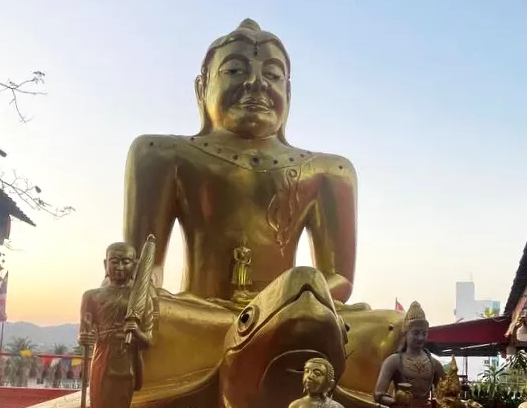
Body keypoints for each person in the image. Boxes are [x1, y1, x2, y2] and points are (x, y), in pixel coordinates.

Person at [124, 19, 356, 304]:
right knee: (132, 306)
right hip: (200, 314)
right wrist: (138, 294)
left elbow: (340, 280)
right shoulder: (160, 153)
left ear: (289, 94)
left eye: (272, 75)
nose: (255, 83)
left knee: (385, 325)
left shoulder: (328, 171)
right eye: (234, 70)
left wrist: (285, 297)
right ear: (202, 88)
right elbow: (143, 269)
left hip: (284, 317)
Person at [81, 241, 156, 408]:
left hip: (126, 363)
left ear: (135, 264)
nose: (120, 266)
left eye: (126, 261)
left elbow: (149, 341)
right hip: (102, 360)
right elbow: (85, 333)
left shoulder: (143, 297)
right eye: (115, 260)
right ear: (105, 264)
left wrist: (137, 332)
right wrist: (86, 338)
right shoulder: (92, 296)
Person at [373, 301, 444, 408]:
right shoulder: (393, 361)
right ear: (406, 333)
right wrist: (397, 401)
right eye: (416, 333)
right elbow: (378, 394)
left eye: (424, 333)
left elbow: (446, 395)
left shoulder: (434, 363)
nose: (420, 337)